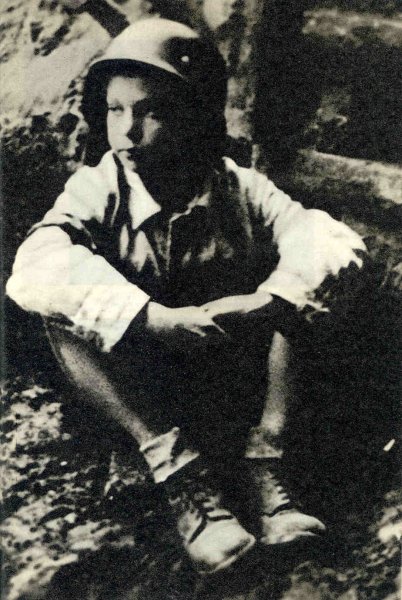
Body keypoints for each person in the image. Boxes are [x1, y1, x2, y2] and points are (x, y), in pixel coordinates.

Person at [6, 18, 366, 575]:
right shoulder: (98, 188)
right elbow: (36, 263)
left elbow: (330, 241)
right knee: (62, 314)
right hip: (143, 381)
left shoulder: (237, 187)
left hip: (232, 375)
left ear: (194, 114)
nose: (127, 131)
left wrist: (269, 301)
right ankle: (181, 478)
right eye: (115, 110)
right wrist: (150, 318)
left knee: (301, 294)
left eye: (150, 111)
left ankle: (265, 464)